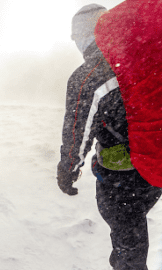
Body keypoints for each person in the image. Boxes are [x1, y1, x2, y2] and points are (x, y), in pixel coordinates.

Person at [57, 4, 162, 270]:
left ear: (83, 35)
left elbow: (77, 133)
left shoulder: (89, 75)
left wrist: (67, 170)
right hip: (154, 167)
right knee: (133, 234)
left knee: (129, 247)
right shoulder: (145, 58)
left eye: (75, 37)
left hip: (120, 179)